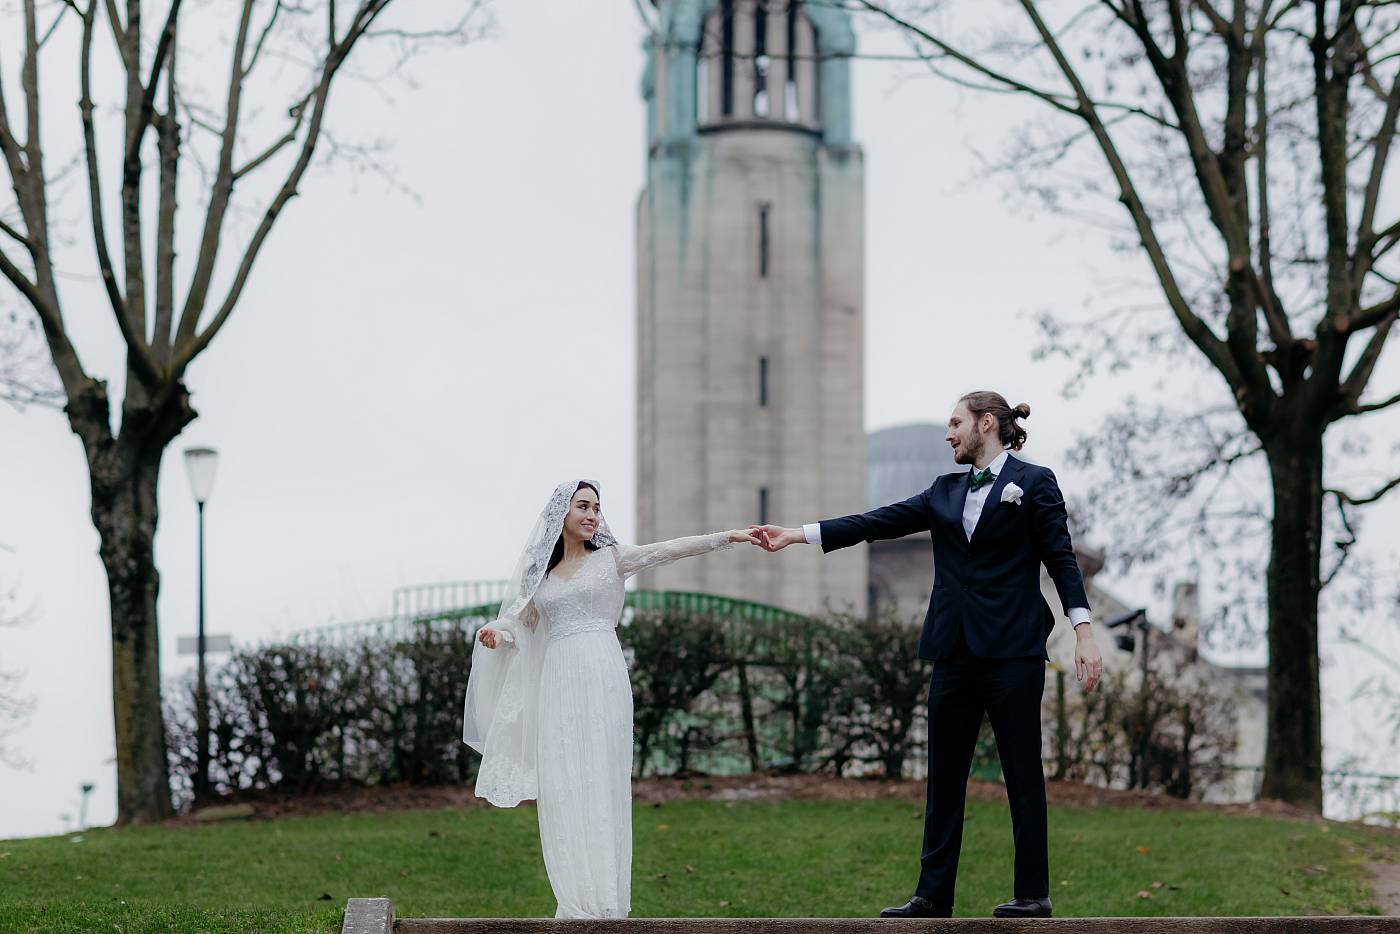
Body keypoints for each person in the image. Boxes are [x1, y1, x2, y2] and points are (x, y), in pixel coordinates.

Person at [752, 391, 1104, 919]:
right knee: (942, 779)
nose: (948, 434)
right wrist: (797, 535)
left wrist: (1083, 631)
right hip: (952, 651)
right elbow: (878, 521)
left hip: (1012, 652)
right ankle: (933, 895)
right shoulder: (943, 491)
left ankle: (1033, 894)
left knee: (1022, 776)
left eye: (956, 423)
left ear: (986, 424)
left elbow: (1061, 558)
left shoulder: (1034, 483)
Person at [463, 479, 762, 919]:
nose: (592, 515)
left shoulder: (613, 559)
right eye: (582, 506)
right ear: (561, 515)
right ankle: (575, 903)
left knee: (602, 784)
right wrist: (497, 633)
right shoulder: (540, 579)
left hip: (602, 674)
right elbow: (518, 622)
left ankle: (606, 907)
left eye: (596, 508)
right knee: (564, 784)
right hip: (558, 683)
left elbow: (671, 548)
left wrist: (728, 537)